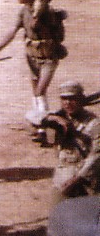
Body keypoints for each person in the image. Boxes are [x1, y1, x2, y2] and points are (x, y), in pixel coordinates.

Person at [0, 0, 65, 145]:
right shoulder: (23, 11)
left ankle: (44, 122)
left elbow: (46, 9)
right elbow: (13, 30)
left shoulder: (45, 10)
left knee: (40, 91)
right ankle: (40, 130)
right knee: (37, 93)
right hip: (32, 56)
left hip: (49, 56)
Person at [42, 81, 100, 209]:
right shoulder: (58, 117)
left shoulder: (94, 123)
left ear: (81, 99)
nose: (68, 103)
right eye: (64, 99)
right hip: (63, 176)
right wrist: (52, 118)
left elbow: (96, 156)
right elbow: (33, 118)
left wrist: (76, 180)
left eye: (72, 98)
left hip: (87, 179)